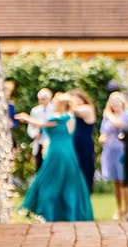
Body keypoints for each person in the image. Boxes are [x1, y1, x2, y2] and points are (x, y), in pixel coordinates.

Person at [16, 93, 95, 222]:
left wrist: (26, 118)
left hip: (58, 153)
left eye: (56, 103)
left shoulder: (62, 118)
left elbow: (41, 124)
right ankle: (65, 212)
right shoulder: (70, 117)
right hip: (67, 152)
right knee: (67, 182)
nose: (54, 106)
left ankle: (49, 212)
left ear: (61, 105)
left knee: (50, 181)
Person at [100, 91, 128, 204]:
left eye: (118, 101)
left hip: (123, 150)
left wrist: (109, 115)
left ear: (122, 102)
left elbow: (120, 124)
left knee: (124, 179)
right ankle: (120, 209)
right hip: (110, 150)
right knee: (116, 181)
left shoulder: (127, 115)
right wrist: (102, 138)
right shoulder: (107, 118)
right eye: (113, 102)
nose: (116, 104)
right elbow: (104, 132)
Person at [67, 88, 99, 191]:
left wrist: (66, 103)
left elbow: (74, 110)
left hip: (83, 144)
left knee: (84, 169)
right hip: (72, 144)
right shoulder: (70, 113)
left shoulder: (87, 109)